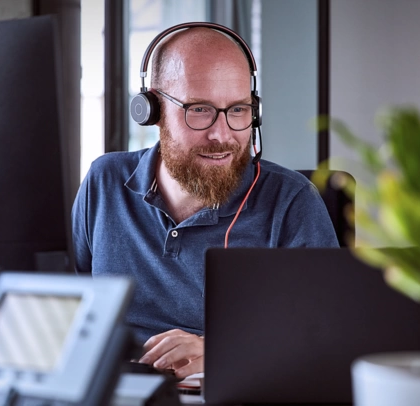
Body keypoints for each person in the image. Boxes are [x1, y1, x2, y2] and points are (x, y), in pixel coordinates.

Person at [71, 24, 338, 379]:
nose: (222, 134)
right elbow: (72, 303)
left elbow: (326, 341)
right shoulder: (104, 182)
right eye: (200, 110)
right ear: (151, 109)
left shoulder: (291, 202)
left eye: (239, 110)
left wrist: (223, 354)